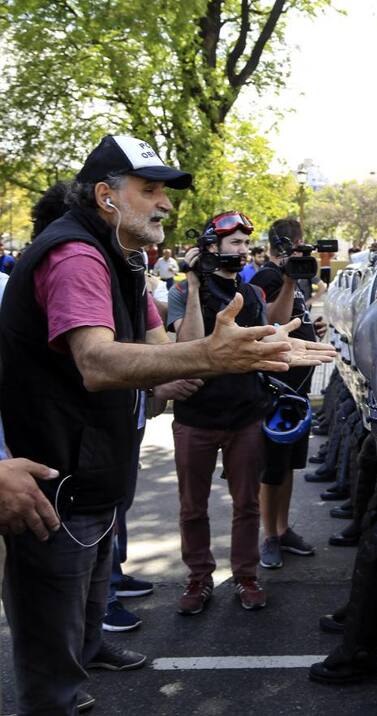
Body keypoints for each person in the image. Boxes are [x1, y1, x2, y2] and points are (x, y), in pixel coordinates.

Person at [0, 134, 331, 715]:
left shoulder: (121, 255)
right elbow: (98, 362)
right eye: (150, 189)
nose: (166, 204)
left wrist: (247, 350)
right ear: (105, 195)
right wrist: (212, 356)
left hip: (92, 475)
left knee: (85, 612)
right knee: (51, 653)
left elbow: (158, 350)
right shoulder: (76, 255)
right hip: (52, 484)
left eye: (165, 191)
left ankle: (87, 656)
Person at [166, 210, 329, 616]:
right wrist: (193, 283)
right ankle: (198, 578)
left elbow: (274, 329)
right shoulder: (183, 291)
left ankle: (246, 575)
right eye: (234, 243)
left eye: (245, 243)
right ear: (210, 247)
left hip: (246, 416)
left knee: (247, 505)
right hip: (196, 417)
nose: (242, 250)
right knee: (192, 507)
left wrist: (289, 286)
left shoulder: (252, 291)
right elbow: (188, 347)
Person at [249, 219, 318, 568]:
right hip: (276, 391)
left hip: (297, 393)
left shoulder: (291, 277)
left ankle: (282, 528)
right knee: (271, 470)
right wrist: (289, 281)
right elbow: (271, 324)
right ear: (296, 241)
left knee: (288, 465)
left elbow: (292, 319)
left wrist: (311, 327)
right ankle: (269, 537)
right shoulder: (268, 276)